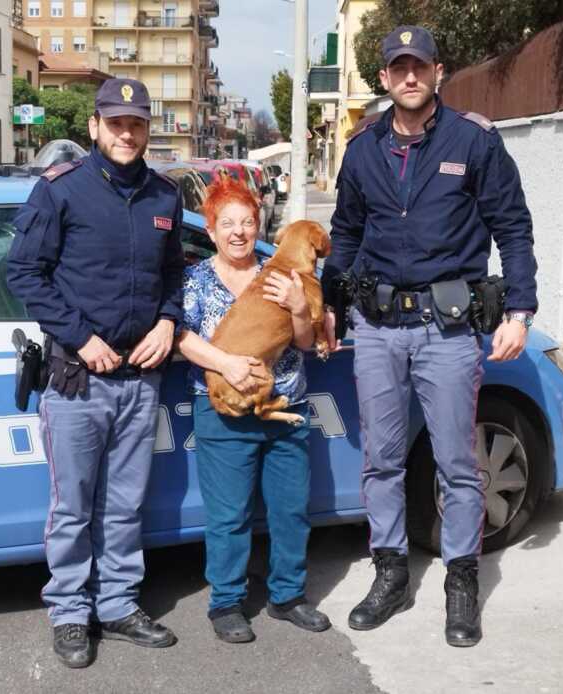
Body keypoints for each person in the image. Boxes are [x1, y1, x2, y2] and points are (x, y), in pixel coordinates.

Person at [321, 25, 538, 647]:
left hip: (447, 332)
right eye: (398, 68)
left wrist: (519, 310)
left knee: (457, 465)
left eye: (419, 66)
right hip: (379, 328)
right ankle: (390, 572)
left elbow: (513, 229)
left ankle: (460, 583)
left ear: (437, 72)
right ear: (385, 78)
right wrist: (332, 304)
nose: (409, 76)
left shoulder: (474, 142)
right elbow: (346, 235)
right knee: (382, 460)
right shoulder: (362, 150)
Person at [6, 78, 185, 669]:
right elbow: (25, 274)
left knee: (126, 504)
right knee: (73, 506)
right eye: (116, 123)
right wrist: (81, 338)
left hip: (141, 377)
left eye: (136, 123)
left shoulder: (165, 196)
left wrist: (167, 320)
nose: (126, 133)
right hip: (77, 379)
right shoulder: (60, 192)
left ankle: (117, 603)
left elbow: (175, 275)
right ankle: (68, 612)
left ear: (147, 129)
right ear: (95, 128)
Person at [177, 175, 330, 644]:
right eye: (228, 223)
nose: (239, 232)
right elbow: (180, 338)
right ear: (211, 230)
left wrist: (302, 308)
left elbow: (304, 342)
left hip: (287, 401)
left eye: (247, 222)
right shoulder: (195, 280)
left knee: (290, 510)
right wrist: (227, 364)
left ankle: (287, 596)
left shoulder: (283, 271)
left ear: (259, 226)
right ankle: (226, 602)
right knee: (229, 515)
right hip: (221, 411)